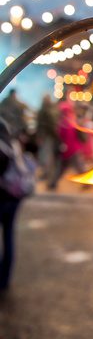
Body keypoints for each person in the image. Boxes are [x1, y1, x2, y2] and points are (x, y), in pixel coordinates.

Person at [0, 118, 34, 290]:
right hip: (15, 197)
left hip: (3, 198)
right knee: (8, 236)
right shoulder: (12, 142)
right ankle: (4, 279)